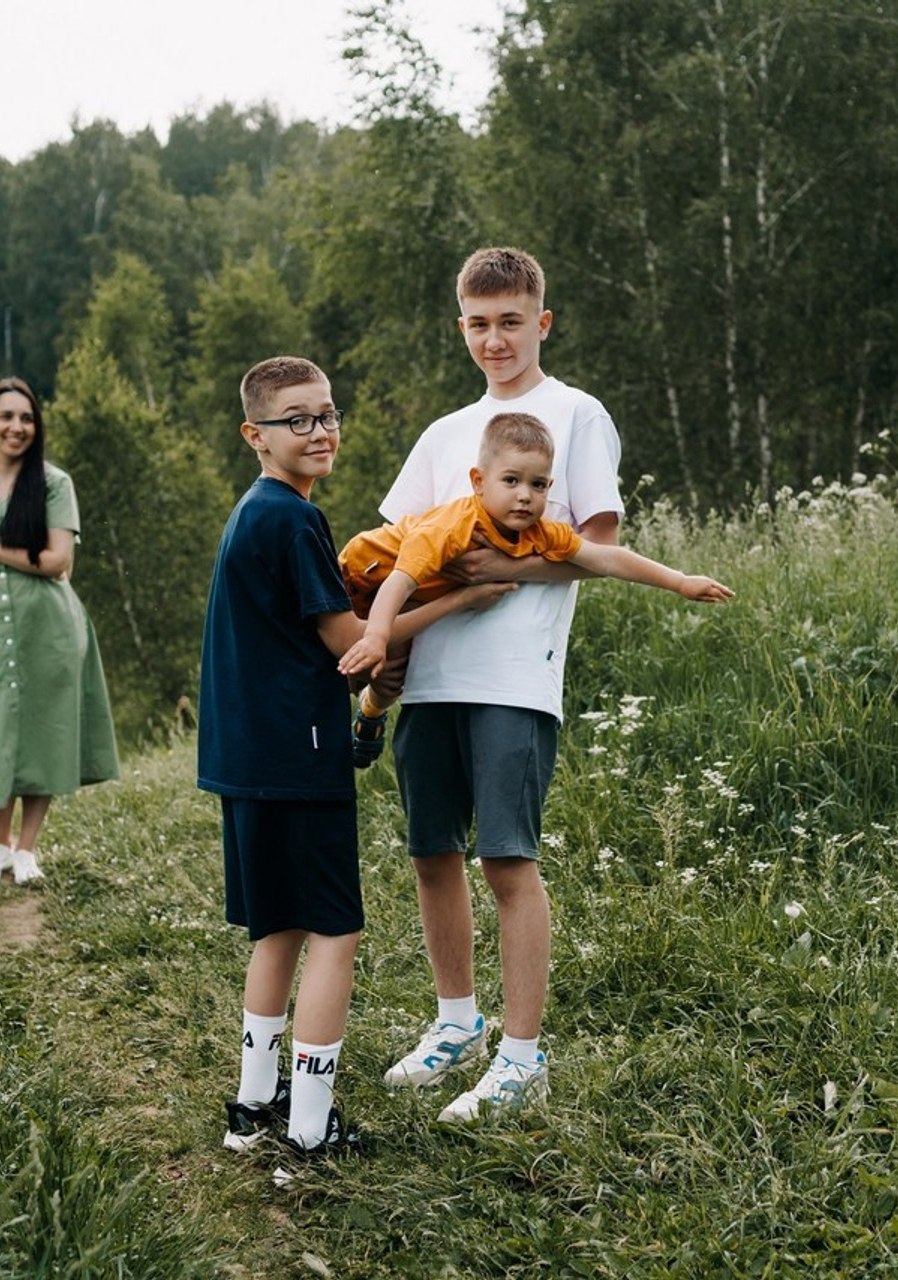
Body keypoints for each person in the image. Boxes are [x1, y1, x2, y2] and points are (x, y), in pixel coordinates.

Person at [197, 356, 512, 1182]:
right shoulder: (292, 520)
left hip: (247, 757)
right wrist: (461, 602)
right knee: (336, 930)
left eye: (328, 414)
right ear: (254, 434)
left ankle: (252, 1106)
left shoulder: (252, 515)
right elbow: (350, 648)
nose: (319, 430)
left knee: (280, 930)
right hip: (296, 756)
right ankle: (308, 1128)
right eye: (297, 419)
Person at [376, 246, 629, 1123]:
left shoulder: (577, 414)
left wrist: (502, 575)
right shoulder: (447, 434)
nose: (495, 339)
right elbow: (401, 553)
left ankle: (523, 1056)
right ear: (462, 327)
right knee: (431, 852)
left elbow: (594, 551)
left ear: (541, 323)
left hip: (517, 675)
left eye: (511, 322)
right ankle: (458, 1024)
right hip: (432, 672)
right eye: (479, 324)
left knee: (507, 859)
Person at [338, 411, 732, 684]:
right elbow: (400, 582)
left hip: (407, 599)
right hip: (361, 576)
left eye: (538, 484)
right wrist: (374, 636)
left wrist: (679, 582)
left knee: (388, 675)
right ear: (478, 481)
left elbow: (607, 558)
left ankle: (371, 715)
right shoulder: (454, 525)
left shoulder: (541, 532)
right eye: (511, 481)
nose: (525, 496)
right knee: (351, 660)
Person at [0, 378, 119, 884]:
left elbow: (59, 560)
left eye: (27, 418)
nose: (17, 427)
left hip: (47, 621)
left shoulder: (53, 483)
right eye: (7, 417)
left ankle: (28, 849)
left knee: (44, 730)